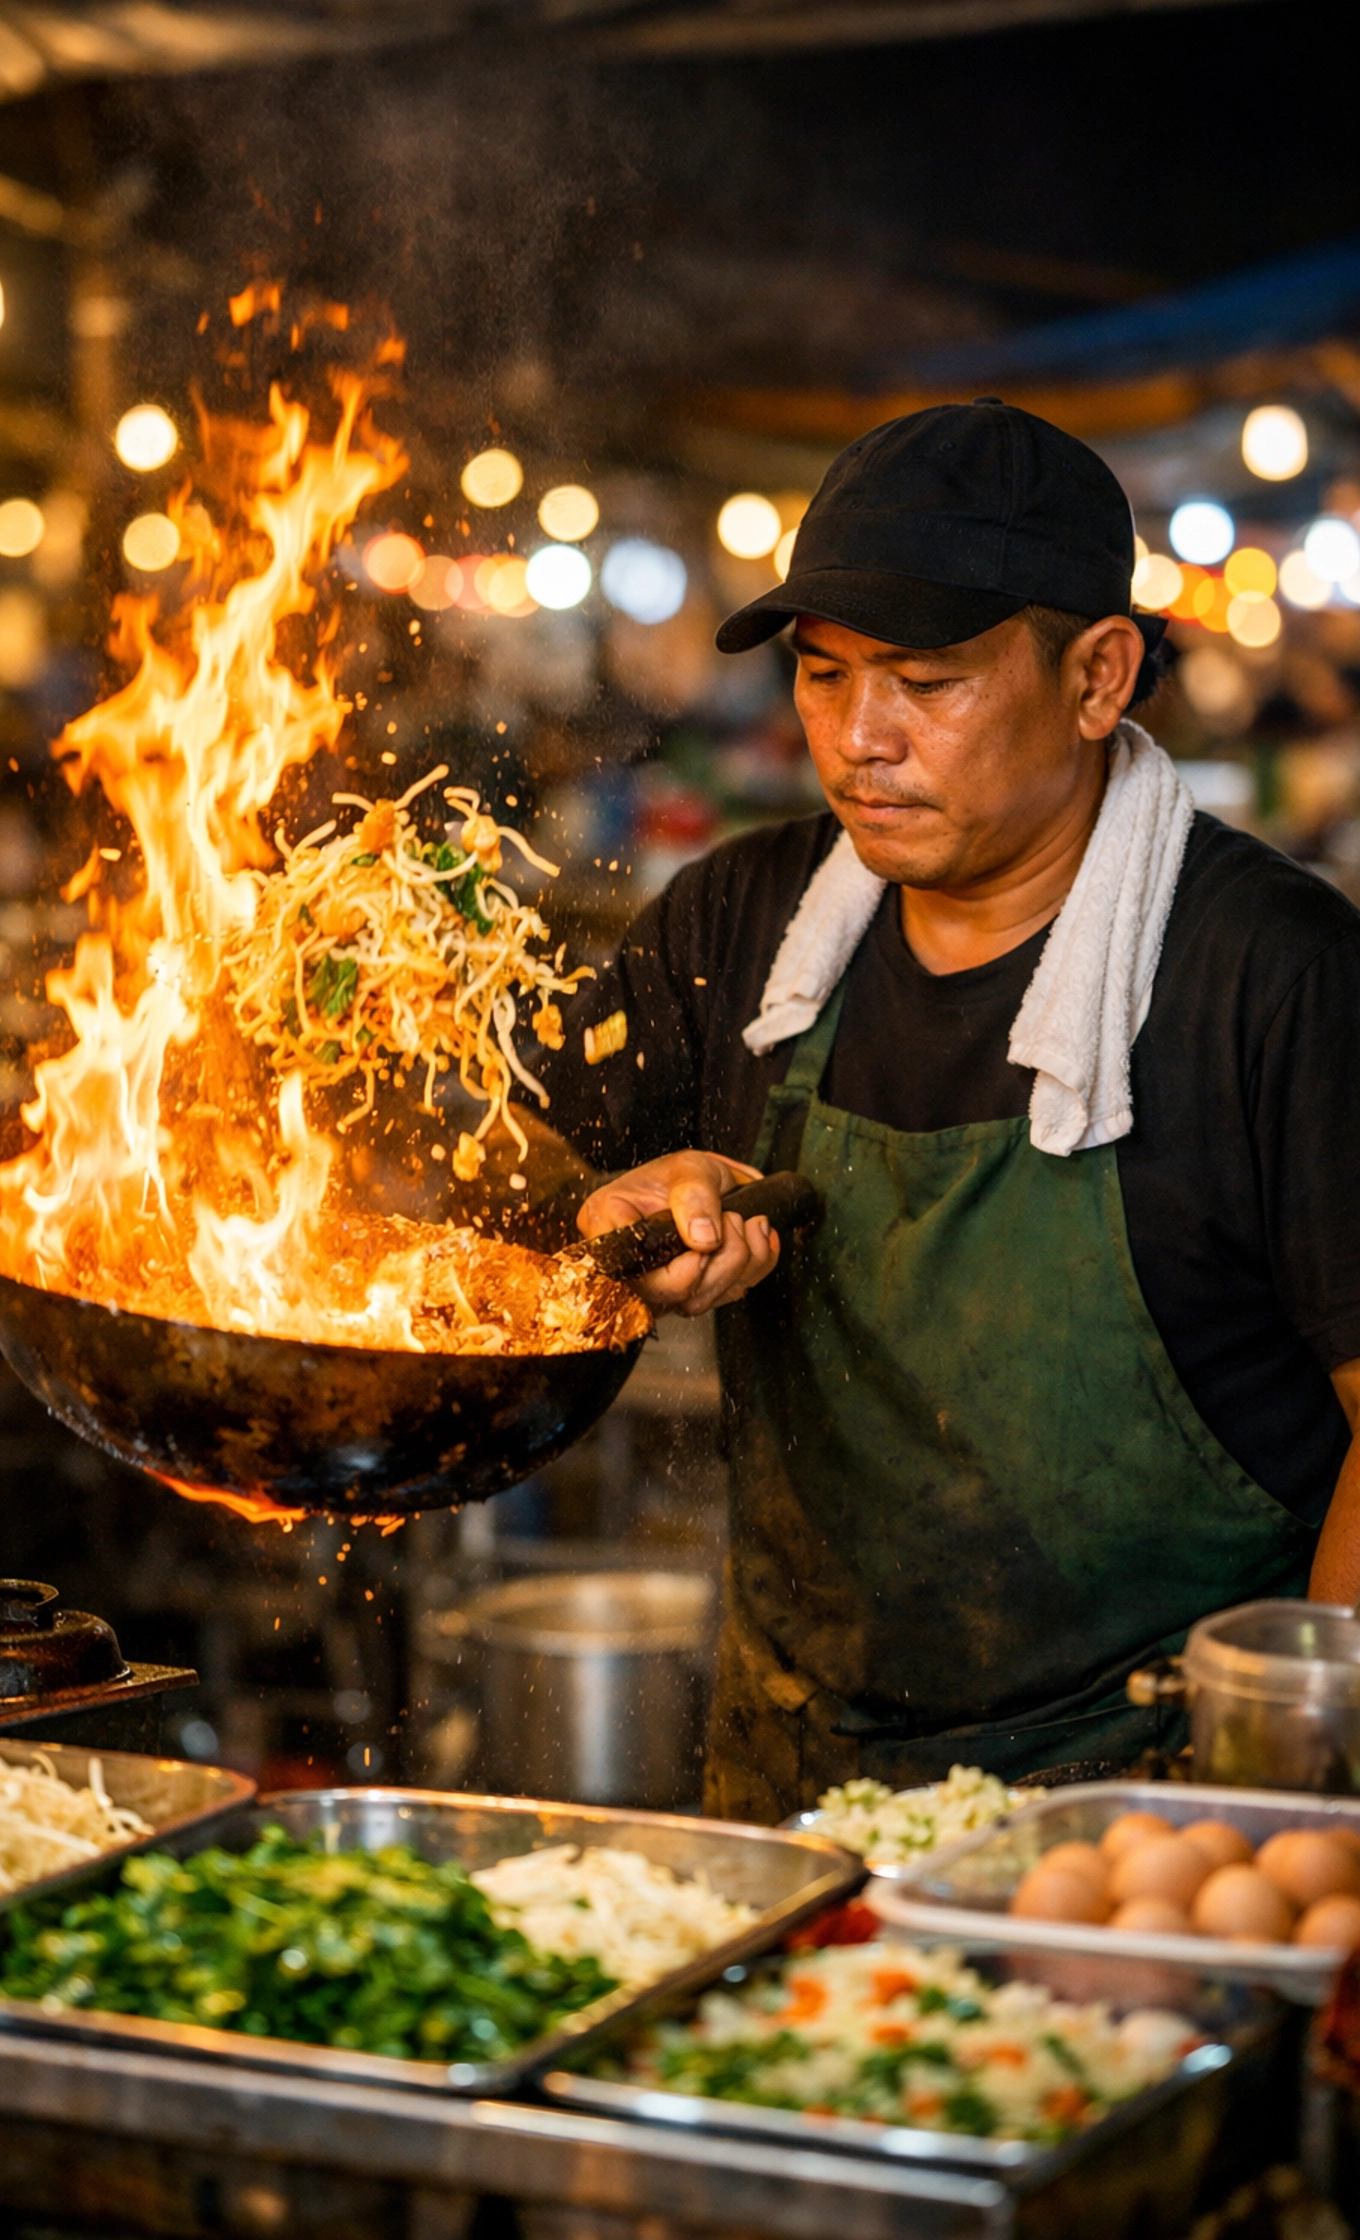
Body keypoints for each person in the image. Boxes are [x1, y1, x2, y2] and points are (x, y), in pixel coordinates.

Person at [536, 400, 1360, 1818]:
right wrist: (593, 1214)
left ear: (1100, 676)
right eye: (824, 675)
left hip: (1145, 1825)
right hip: (795, 1798)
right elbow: (515, 1170)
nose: (860, 740)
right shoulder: (745, 922)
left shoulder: (1273, 978)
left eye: (925, 681)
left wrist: (1296, 1801)